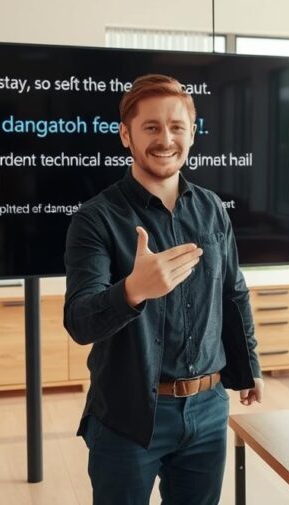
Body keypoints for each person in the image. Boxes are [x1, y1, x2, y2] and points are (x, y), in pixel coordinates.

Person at [63, 74, 264, 505]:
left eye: (176, 127)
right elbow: (80, 321)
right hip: (128, 414)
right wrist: (133, 290)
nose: (165, 139)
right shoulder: (95, 219)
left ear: (192, 133)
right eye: (151, 127)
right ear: (125, 135)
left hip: (209, 410)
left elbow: (233, 292)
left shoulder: (212, 207)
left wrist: (250, 367)